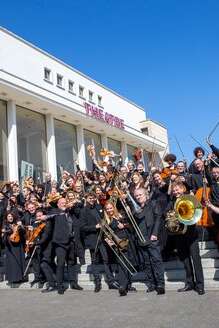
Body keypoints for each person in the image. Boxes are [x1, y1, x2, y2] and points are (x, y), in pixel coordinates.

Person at [167, 181, 205, 295]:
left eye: (177, 189)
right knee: (185, 260)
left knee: (196, 259)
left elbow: (197, 211)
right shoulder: (172, 201)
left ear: (183, 189)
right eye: (174, 190)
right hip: (179, 234)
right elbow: (168, 213)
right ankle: (189, 283)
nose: (176, 192)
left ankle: (200, 285)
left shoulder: (189, 198)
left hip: (191, 233)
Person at [80, 193, 119, 292]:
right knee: (94, 261)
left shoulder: (98, 207)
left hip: (102, 238)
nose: (91, 199)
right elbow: (82, 227)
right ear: (86, 198)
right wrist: (95, 227)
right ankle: (97, 283)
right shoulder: (84, 211)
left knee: (106, 259)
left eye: (93, 198)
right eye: (89, 198)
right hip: (92, 239)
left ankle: (111, 282)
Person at [133, 188, 165, 295]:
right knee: (146, 263)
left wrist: (155, 234)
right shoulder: (135, 208)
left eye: (140, 195)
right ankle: (151, 284)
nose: (138, 197)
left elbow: (158, 218)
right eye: (136, 196)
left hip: (152, 237)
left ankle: (160, 284)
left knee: (156, 261)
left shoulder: (153, 203)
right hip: (141, 238)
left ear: (146, 194)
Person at [2, 212, 25, 287]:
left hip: (18, 245)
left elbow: (23, 232)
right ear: (6, 217)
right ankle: (11, 279)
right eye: (9, 216)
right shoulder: (5, 225)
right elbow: (4, 235)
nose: (10, 217)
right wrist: (6, 232)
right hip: (9, 246)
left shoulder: (17, 224)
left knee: (18, 261)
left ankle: (19, 278)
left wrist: (20, 226)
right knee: (11, 262)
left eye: (11, 216)